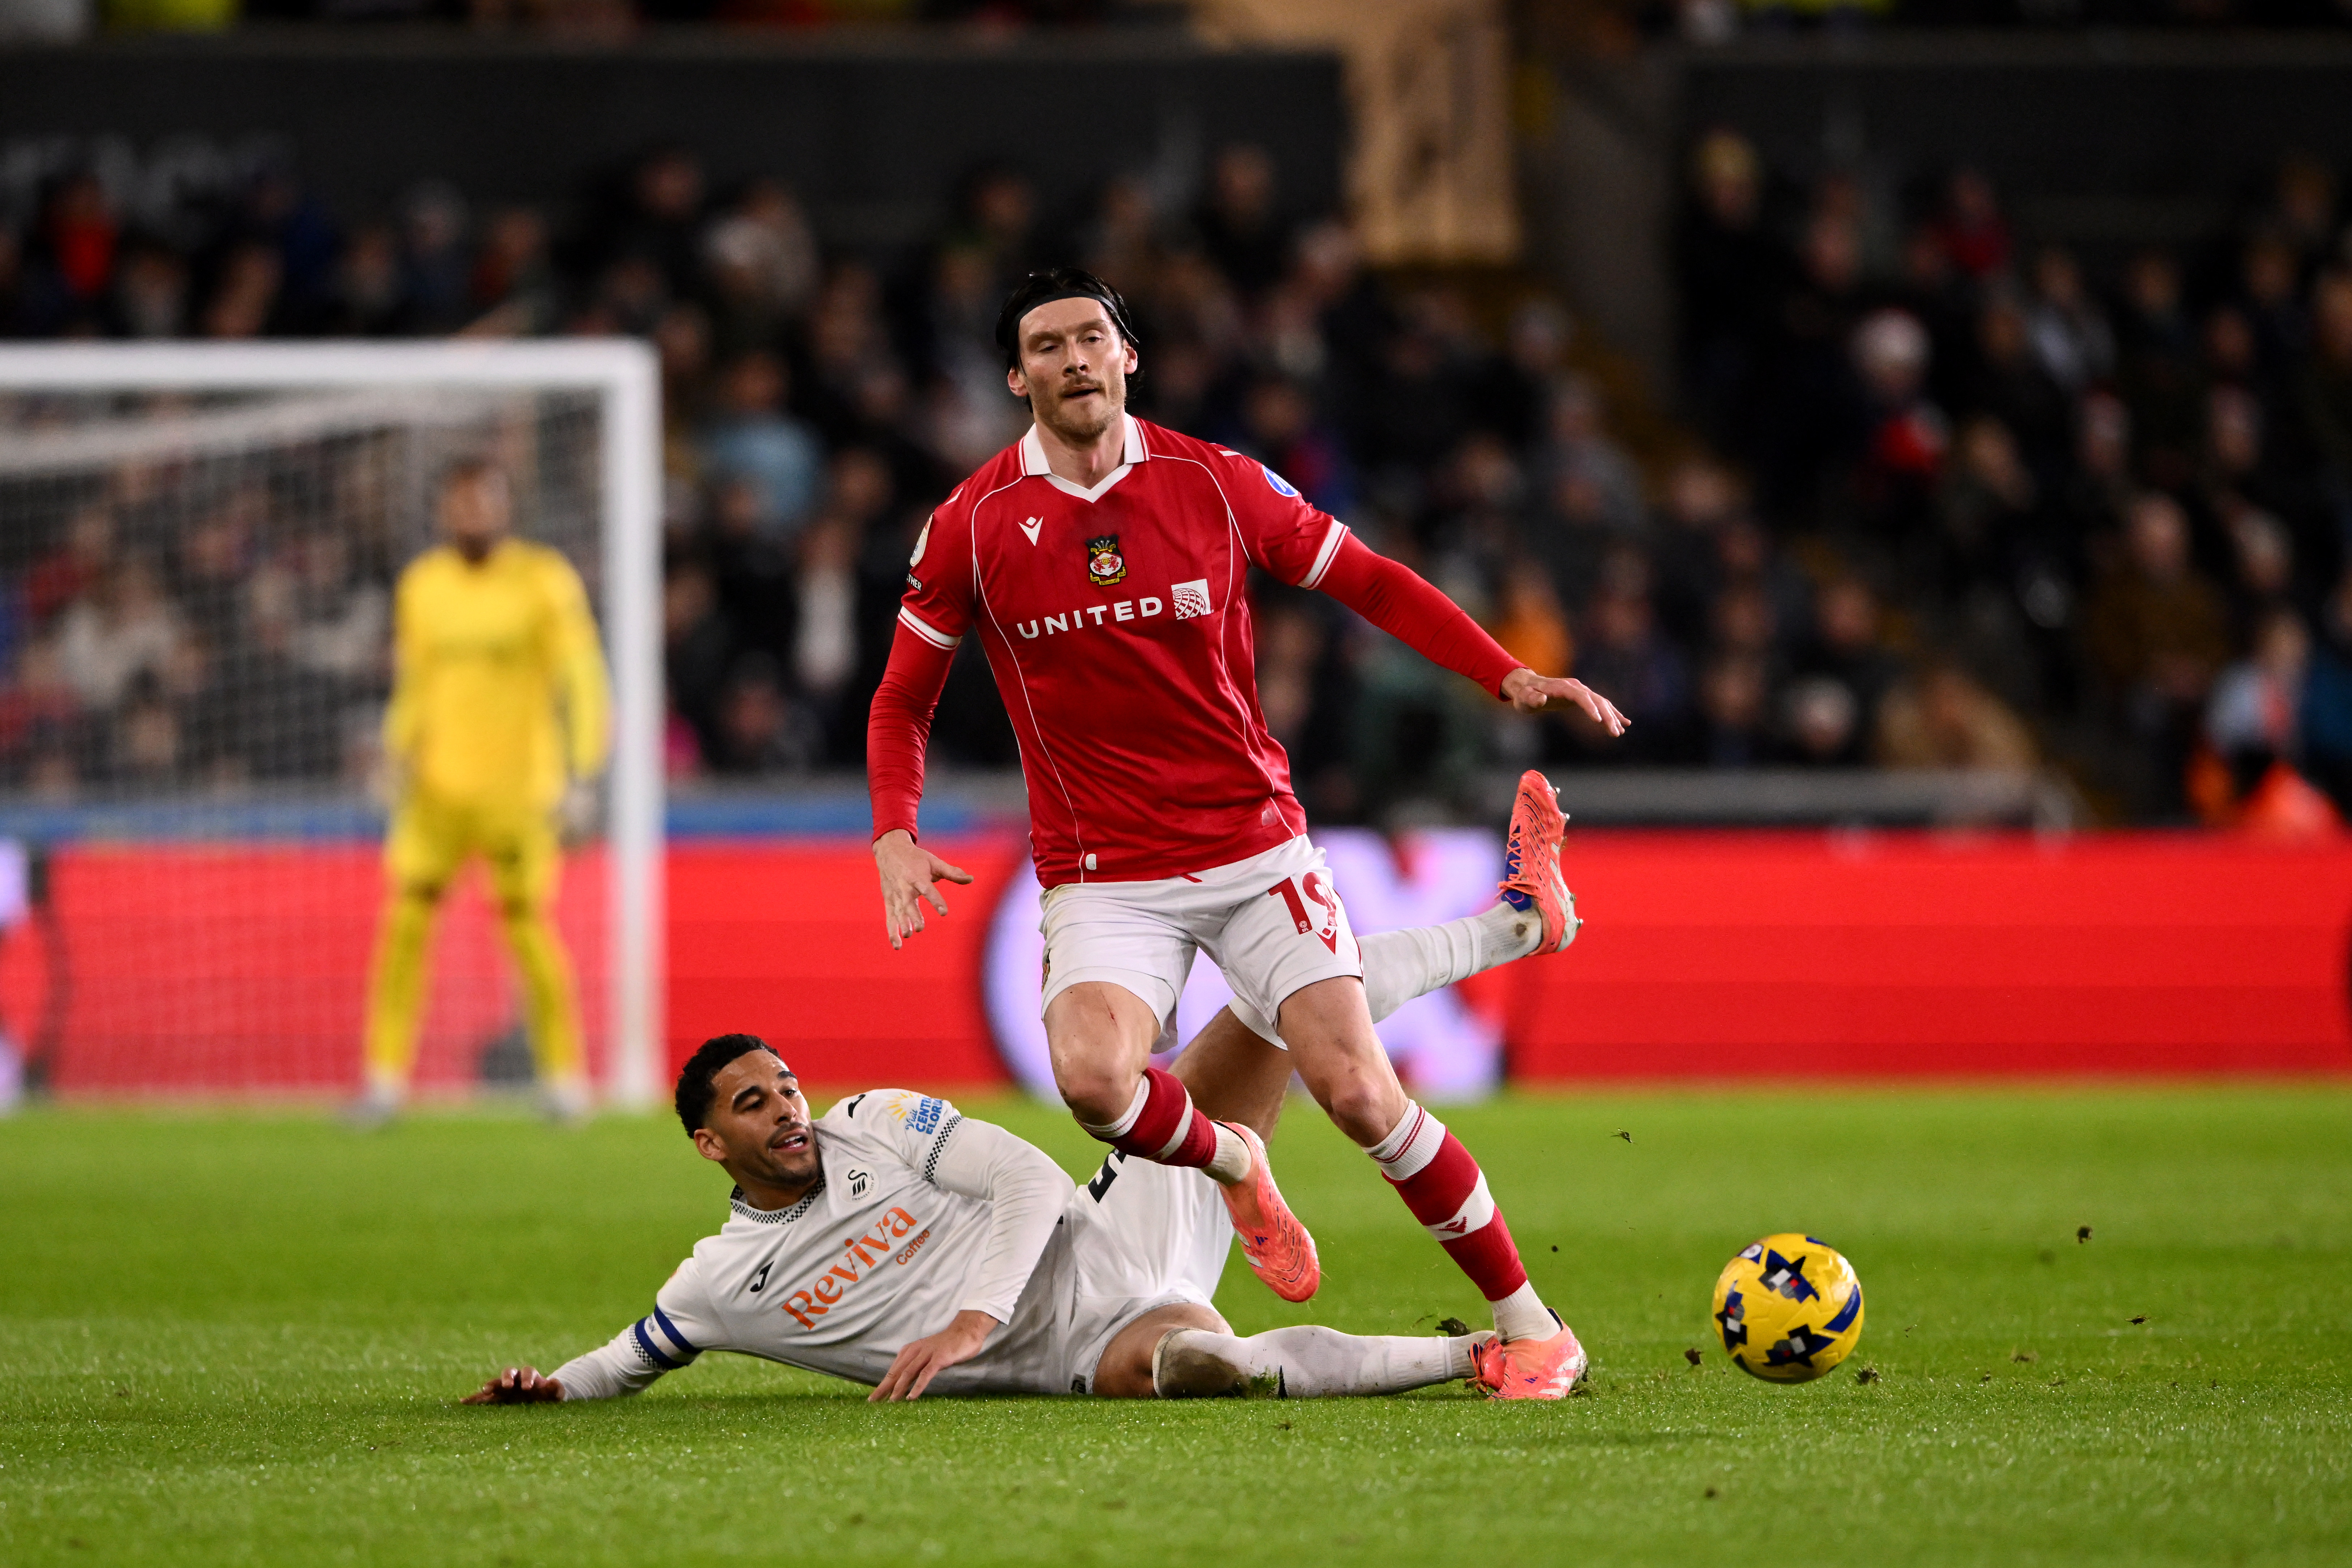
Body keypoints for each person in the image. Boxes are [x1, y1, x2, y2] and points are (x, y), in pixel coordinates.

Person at [864, 268, 1629, 1400]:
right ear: (1015, 377)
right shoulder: (971, 524)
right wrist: (893, 828)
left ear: (1128, 356)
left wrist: (1501, 670)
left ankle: (1532, 1327)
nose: (1073, 358)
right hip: (1104, 874)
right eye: (1046, 345)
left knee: (1358, 1091)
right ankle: (1235, 1160)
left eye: (1091, 337)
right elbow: (900, 698)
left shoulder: (1215, 483)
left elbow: (1368, 580)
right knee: (1091, 1080)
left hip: (1252, 847)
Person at [465, 1016, 1531, 1406]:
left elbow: (1029, 1180)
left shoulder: (871, 1119)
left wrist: (970, 1319)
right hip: (1089, 1342)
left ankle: (1514, 924)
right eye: (753, 1105)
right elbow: (626, 1360)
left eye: (786, 1086)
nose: (787, 1109)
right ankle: (1482, 1354)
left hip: (1109, 1226)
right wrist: (546, 1388)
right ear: (710, 1146)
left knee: (1273, 1010)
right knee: (1217, 1369)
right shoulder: (720, 1283)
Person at [354, 458, 611, 1126]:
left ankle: (564, 1079)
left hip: (519, 792)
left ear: (505, 506)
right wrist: (394, 752)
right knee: (405, 926)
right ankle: (383, 1081)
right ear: (444, 510)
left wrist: (584, 772)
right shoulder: (423, 585)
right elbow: (415, 684)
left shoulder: (543, 580)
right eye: (461, 502)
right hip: (436, 792)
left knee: (528, 931)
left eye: (484, 501)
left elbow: (582, 676)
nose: (472, 513)